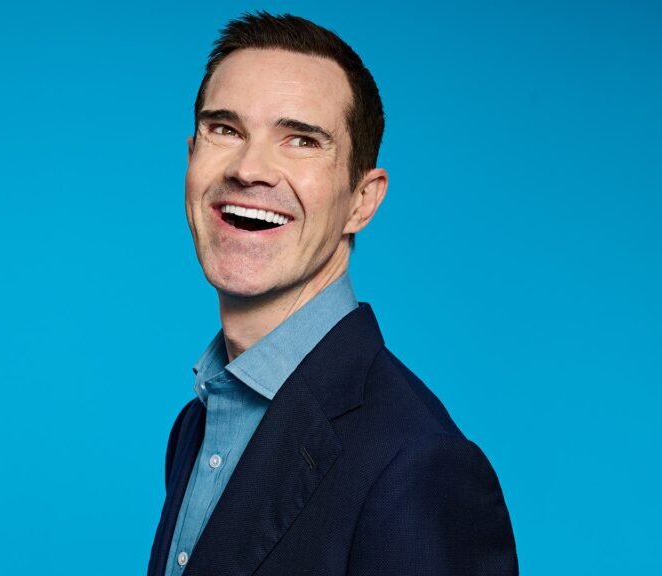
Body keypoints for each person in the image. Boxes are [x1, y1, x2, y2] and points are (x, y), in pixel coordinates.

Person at [147, 12, 518, 576]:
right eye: (225, 129)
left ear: (361, 201)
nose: (249, 168)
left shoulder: (419, 464)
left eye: (301, 140)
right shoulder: (196, 427)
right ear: (191, 156)